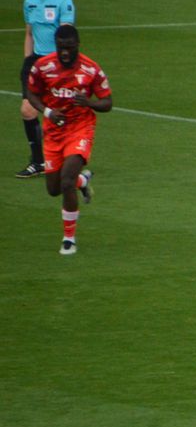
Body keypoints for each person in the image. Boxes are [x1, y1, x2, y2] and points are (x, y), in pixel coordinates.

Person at [23, 24, 111, 256]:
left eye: (69, 47)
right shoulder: (43, 67)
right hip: (53, 132)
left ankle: (69, 239)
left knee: (65, 181)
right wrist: (48, 112)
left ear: (77, 45)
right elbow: (31, 92)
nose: (64, 52)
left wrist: (89, 102)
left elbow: (108, 102)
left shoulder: (91, 69)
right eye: (61, 47)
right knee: (54, 189)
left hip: (80, 128)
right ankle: (82, 182)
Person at [18, 0, 75, 179]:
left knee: (60, 114)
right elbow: (29, 33)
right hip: (35, 63)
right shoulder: (29, 2)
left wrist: (64, 64)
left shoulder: (63, 0)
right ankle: (38, 161)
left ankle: (67, 158)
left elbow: (67, 35)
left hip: (57, 65)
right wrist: (28, 61)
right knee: (27, 110)